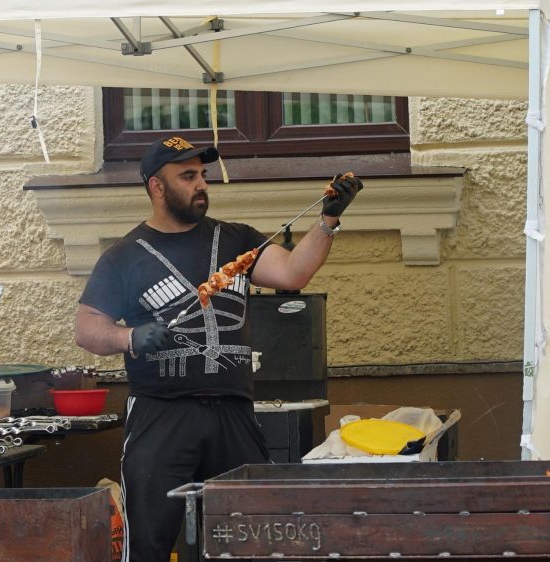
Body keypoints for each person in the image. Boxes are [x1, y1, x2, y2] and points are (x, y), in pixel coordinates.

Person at [74, 135, 362, 561]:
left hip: (233, 412)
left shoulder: (236, 240)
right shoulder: (124, 256)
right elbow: (86, 327)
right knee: (151, 540)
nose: (201, 184)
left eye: (203, 175)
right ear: (157, 187)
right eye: (187, 176)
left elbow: (292, 270)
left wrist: (327, 221)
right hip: (161, 414)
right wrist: (129, 337)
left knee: (248, 537)